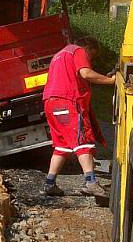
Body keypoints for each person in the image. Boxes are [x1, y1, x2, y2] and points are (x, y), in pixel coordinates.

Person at [41, 37, 115, 197]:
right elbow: (85, 73)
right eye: (91, 56)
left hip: (50, 102)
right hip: (67, 101)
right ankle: (91, 182)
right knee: (83, 141)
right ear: (87, 47)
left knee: (62, 146)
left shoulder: (59, 55)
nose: (89, 59)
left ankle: (49, 183)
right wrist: (110, 80)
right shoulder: (77, 50)